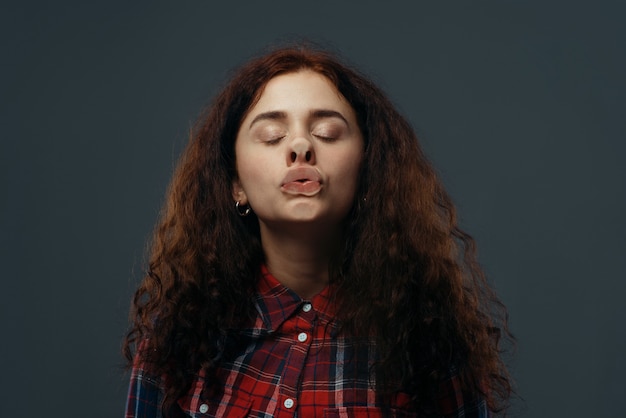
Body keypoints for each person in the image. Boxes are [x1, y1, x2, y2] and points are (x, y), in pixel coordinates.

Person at [123, 45, 513, 417]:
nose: (300, 147)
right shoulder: (179, 339)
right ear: (235, 184)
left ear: (367, 172)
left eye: (327, 132)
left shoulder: (429, 341)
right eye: (271, 136)